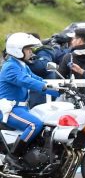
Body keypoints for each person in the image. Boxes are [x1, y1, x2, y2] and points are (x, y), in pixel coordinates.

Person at [0, 33, 59, 163]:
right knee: (34, 125)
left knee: (46, 123)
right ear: (18, 50)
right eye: (28, 49)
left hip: (21, 108)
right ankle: (13, 157)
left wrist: (60, 88)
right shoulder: (10, 66)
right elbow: (26, 81)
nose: (31, 52)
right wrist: (44, 86)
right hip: (10, 109)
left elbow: (35, 78)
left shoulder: (22, 65)